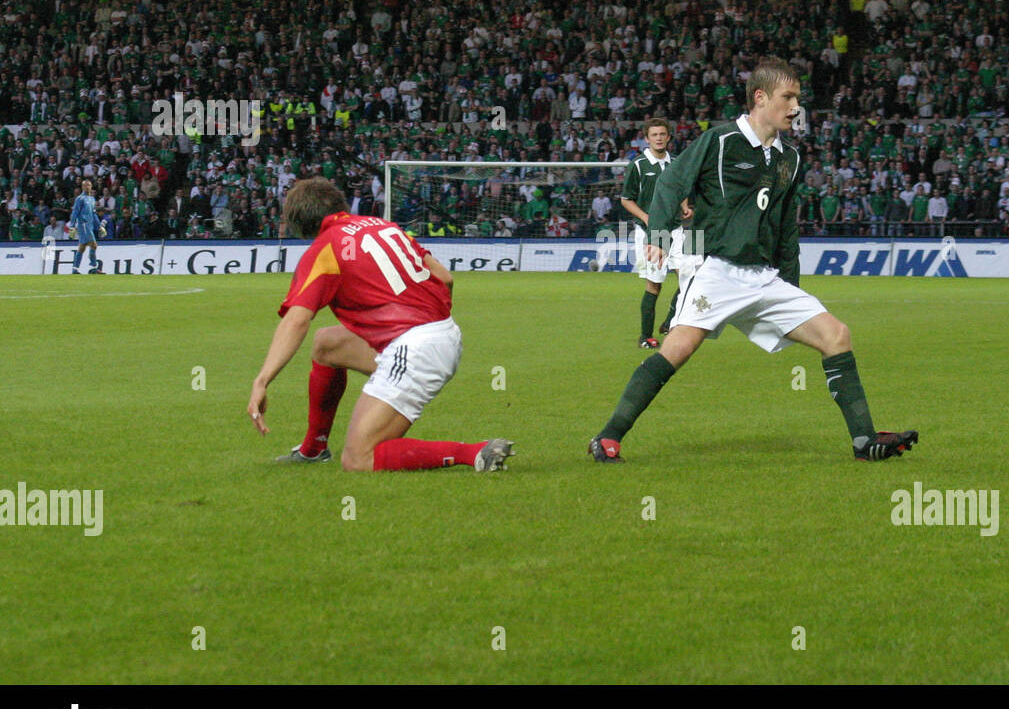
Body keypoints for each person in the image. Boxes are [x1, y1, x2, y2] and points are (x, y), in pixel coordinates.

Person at [588, 59, 918, 464]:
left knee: (836, 336)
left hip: (764, 278)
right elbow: (673, 182)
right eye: (788, 97)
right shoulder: (721, 140)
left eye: (797, 98)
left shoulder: (789, 159)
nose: (795, 107)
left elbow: (785, 227)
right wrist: (657, 235)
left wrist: (791, 285)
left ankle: (865, 442)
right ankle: (607, 437)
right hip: (716, 270)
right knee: (677, 349)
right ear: (760, 98)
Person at [247, 177, 514, 473]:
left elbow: (297, 320)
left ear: (302, 223)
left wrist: (262, 381)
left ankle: (476, 453)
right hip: (441, 333)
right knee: (326, 344)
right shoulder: (384, 226)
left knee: (359, 459)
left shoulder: (325, 248)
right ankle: (314, 448)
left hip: (415, 347)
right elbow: (445, 278)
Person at [618, 118, 699, 349]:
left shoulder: (676, 162)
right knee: (655, 284)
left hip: (677, 229)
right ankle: (645, 336)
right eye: (654, 135)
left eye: (663, 134)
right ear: (647, 138)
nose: (659, 138)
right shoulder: (638, 165)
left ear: (669, 137)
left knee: (692, 277)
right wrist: (646, 218)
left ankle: (670, 322)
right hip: (651, 233)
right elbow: (626, 199)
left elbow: (681, 188)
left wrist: (684, 205)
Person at [69, 178, 104, 274]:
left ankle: (75, 269)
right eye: (85, 185)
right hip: (83, 225)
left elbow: (94, 214)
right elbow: (75, 212)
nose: (87, 187)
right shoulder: (80, 199)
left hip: (90, 226)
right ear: (82, 187)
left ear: (91, 186)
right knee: (94, 245)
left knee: (82, 247)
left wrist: (100, 226)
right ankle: (93, 267)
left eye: (89, 185)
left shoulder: (92, 199)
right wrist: (72, 226)